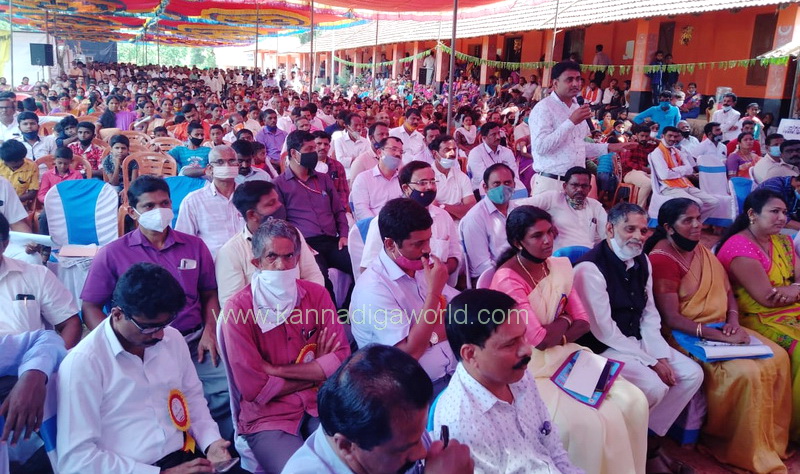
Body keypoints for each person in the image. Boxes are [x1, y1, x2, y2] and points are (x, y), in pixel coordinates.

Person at [488, 207, 648, 474]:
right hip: (528, 365)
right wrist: (565, 319)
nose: (548, 240)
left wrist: (559, 329)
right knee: (585, 424)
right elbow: (538, 340)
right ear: (518, 242)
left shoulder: (560, 266)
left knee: (634, 401)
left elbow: (583, 322)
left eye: (550, 232)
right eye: (537, 236)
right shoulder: (507, 278)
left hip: (569, 354)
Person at [645, 198, 791, 472]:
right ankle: (732, 444)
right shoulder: (662, 259)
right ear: (668, 227)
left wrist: (733, 321)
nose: (697, 225)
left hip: (721, 326)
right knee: (746, 373)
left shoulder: (700, 249)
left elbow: (727, 292)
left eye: (698, 218)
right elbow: (672, 318)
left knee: (778, 357)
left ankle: (771, 442)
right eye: (688, 220)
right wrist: (720, 336)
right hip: (686, 335)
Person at [81, 175, 232, 439]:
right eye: (149, 206)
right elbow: (90, 306)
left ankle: (215, 442)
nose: (159, 211)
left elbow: (209, 293)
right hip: (141, 345)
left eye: (164, 204)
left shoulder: (194, 246)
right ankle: (175, 444)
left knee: (232, 386)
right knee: (149, 403)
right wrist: (117, 343)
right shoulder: (113, 253)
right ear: (132, 211)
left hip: (194, 341)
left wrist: (210, 330)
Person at [58, 263, 237, 473]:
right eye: (148, 327)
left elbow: (192, 398)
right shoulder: (84, 363)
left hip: (181, 456)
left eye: (165, 324)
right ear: (117, 314)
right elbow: (76, 460)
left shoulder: (172, 338)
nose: (159, 335)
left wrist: (211, 443)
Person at [574, 203, 704, 458]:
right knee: (655, 387)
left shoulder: (642, 260)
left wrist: (658, 353)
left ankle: (646, 437)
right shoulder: (590, 268)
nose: (638, 236)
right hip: (601, 348)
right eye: (630, 229)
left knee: (691, 374)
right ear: (610, 229)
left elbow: (649, 312)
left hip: (634, 340)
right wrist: (652, 362)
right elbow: (604, 331)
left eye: (643, 231)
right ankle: (630, 446)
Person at [220, 219, 350, 473]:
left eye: (289, 256)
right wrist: (316, 372)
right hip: (269, 417)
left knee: (354, 462)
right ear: (256, 263)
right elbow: (254, 389)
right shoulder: (239, 309)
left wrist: (276, 371)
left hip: (319, 403)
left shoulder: (316, 295)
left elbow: (340, 357)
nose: (282, 266)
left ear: (298, 258)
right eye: (272, 257)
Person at [433, 289, 583, 473]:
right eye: (510, 344)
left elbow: (552, 446)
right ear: (470, 354)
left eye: (524, 336)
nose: (527, 350)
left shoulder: (517, 374)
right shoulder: (463, 424)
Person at [282, 344, 474, 474]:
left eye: (419, 435)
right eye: (404, 449)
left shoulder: (397, 426)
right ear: (346, 446)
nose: (422, 453)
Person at [350, 198, 458, 396]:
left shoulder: (419, 266)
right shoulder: (373, 289)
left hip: (455, 371)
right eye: (418, 244)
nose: (427, 249)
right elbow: (409, 352)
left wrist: (426, 336)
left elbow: (460, 313)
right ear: (390, 244)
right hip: (411, 392)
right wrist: (434, 294)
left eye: (428, 240)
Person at [716, 189, 800, 441]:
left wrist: (791, 289)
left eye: (784, 212)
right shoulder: (739, 246)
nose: (782, 218)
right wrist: (793, 289)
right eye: (775, 211)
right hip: (756, 317)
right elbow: (766, 298)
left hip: (791, 310)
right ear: (752, 214)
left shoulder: (783, 241)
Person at [528, 61, 634, 195]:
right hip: (552, 183)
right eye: (569, 79)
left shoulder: (576, 106)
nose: (575, 84)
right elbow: (541, 148)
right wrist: (571, 122)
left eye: (578, 79)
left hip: (576, 185)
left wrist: (608, 147)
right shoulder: (543, 108)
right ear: (555, 83)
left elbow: (576, 147)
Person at [216, 180, 324, 309]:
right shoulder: (230, 252)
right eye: (271, 203)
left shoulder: (293, 234)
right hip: (259, 317)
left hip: (301, 310)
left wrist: (307, 308)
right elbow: (232, 305)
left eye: (278, 200)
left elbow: (312, 275)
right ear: (252, 215)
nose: (279, 206)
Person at [273, 130, 352, 306]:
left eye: (314, 149)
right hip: (306, 244)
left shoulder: (323, 179)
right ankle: (332, 317)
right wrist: (299, 243)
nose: (314, 153)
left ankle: (349, 311)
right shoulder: (279, 184)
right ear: (294, 153)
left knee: (361, 265)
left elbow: (339, 210)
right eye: (309, 149)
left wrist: (344, 235)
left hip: (332, 241)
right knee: (320, 278)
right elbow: (282, 223)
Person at [360, 161, 461, 276]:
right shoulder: (385, 221)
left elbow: (454, 255)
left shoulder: (443, 216)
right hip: (398, 285)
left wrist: (441, 271)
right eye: (422, 183)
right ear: (406, 188)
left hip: (439, 282)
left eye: (432, 181)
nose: (430, 187)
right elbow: (367, 268)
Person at [175, 145, 245, 259]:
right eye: (220, 162)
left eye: (231, 161)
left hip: (248, 263)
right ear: (210, 169)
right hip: (212, 264)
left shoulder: (249, 196)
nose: (226, 166)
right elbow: (184, 241)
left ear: (238, 165)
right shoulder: (193, 201)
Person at [519, 167, 607, 251]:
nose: (580, 189)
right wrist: (545, 221)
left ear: (589, 188)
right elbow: (518, 206)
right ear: (565, 186)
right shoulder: (553, 198)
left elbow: (607, 233)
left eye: (584, 186)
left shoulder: (595, 206)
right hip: (557, 256)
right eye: (575, 185)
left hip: (587, 256)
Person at [649, 126, 720, 221]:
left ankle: (695, 222)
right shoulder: (657, 153)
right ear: (662, 136)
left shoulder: (677, 151)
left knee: (714, 202)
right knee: (697, 202)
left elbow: (690, 170)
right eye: (670, 136)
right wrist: (682, 169)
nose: (673, 139)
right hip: (669, 187)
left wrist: (674, 170)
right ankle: (688, 224)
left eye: (675, 136)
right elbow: (664, 175)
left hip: (685, 184)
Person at [460, 163, 517, 281]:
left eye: (507, 183)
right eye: (496, 184)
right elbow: (482, 267)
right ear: (485, 188)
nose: (502, 188)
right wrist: (514, 273)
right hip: (492, 278)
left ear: (514, 185)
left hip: (519, 270)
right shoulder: (475, 218)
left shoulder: (517, 209)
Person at [350, 136, 404, 221]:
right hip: (373, 226)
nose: (398, 154)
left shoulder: (403, 179)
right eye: (393, 149)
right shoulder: (364, 179)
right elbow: (361, 210)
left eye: (401, 152)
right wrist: (378, 226)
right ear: (379, 152)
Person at [467, 122, 525, 196]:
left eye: (499, 133)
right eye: (493, 134)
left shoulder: (507, 151)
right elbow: (482, 178)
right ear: (484, 138)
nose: (498, 137)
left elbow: (514, 174)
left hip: (507, 188)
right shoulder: (475, 153)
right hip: (484, 190)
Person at [428, 134, 476, 220]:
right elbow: (430, 211)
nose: (453, 154)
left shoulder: (462, 177)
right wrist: (458, 211)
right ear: (435, 153)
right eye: (447, 150)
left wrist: (442, 206)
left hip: (459, 226)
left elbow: (471, 209)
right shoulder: (426, 177)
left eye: (454, 149)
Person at [331, 113, 370, 179]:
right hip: (346, 177)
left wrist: (350, 160)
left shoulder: (365, 142)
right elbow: (341, 161)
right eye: (355, 125)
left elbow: (367, 161)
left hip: (362, 177)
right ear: (347, 127)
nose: (359, 128)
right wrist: (359, 160)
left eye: (360, 125)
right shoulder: (339, 141)